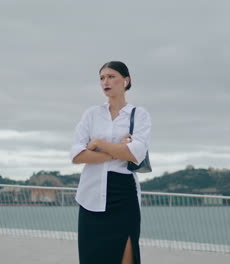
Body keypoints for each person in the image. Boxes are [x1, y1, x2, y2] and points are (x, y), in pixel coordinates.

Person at [70, 61, 152, 264]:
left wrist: (98, 144)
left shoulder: (139, 115)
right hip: (91, 194)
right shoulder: (91, 114)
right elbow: (77, 155)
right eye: (102, 78)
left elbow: (136, 154)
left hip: (124, 194)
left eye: (111, 76)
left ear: (126, 80)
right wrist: (116, 151)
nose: (105, 81)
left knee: (126, 258)